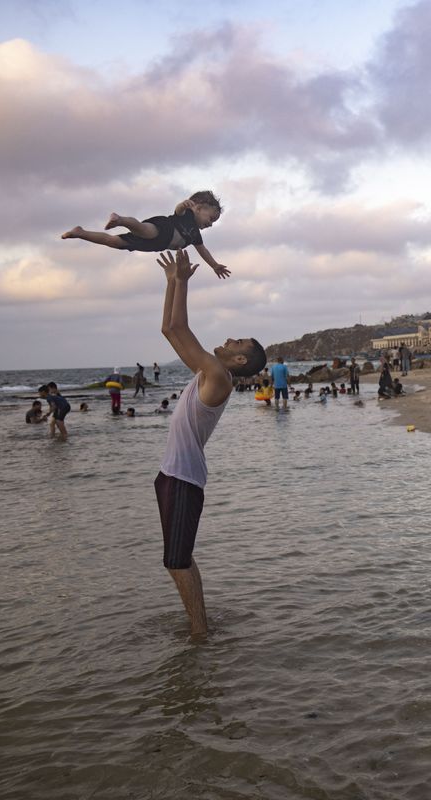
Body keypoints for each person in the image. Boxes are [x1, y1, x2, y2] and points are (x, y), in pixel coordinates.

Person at [153, 249, 266, 636]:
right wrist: (172, 281)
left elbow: (179, 331)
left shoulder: (217, 375)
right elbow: (169, 331)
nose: (230, 337)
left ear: (238, 361)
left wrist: (182, 282)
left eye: (238, 342)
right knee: (178, 558)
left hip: (184, 478)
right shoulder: (212, 371)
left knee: (176, 561)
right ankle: (199, 627)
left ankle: (200, 635)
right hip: (172, 474)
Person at [61, 191, 232, 279]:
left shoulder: (195, 235)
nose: (210, 224)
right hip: (163, 228)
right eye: (211, 218)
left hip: (155, 245)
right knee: (143, 229)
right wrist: (182, 204)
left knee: (114, 242)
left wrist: (214, 265)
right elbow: (178, 210)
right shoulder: (187, 215)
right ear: (198, 208)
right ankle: (120, 220)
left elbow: (203, 251)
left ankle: (80, 233)